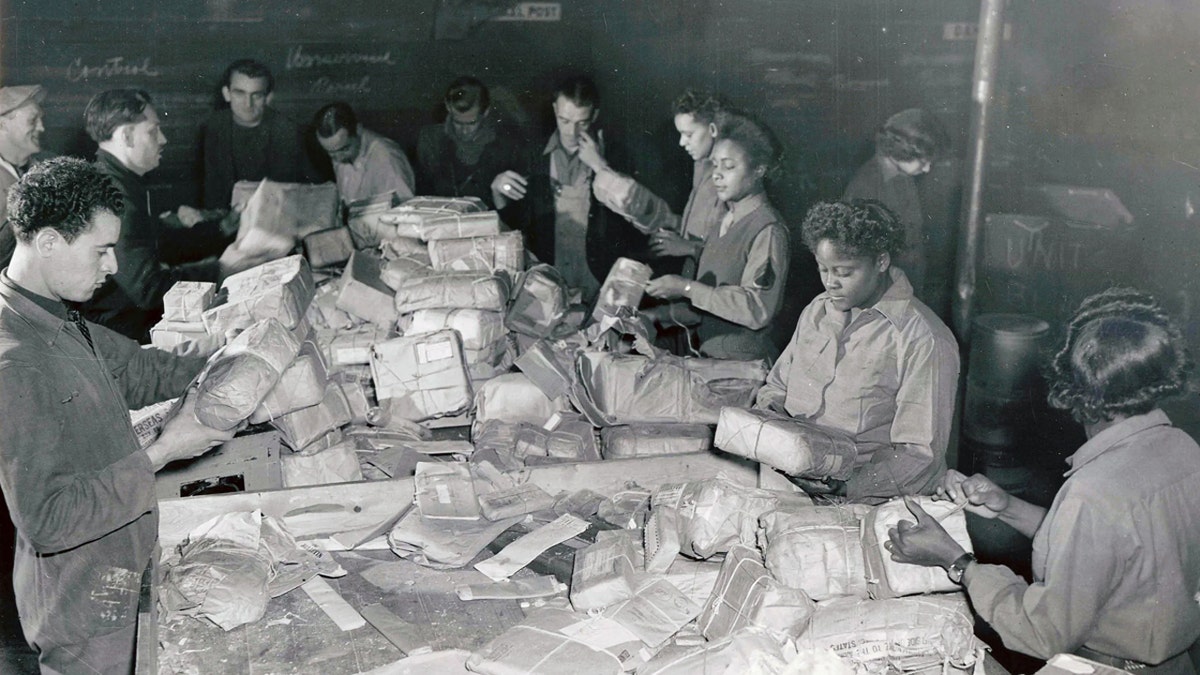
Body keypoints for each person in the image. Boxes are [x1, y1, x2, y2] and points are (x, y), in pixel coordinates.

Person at [0, 156, 239, 674]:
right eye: (101, 250)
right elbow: (47, 520)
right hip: (83, 610)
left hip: (118, 573)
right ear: (47, 242)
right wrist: (163, 452)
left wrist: (231, 357)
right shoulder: (14, 360)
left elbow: (135, 371)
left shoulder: (51, 314)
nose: (112, 266)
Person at [887, 288, 1200, 674]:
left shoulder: (1093, 491)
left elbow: (1043, 632)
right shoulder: (1183, 448)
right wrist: (1006, 507)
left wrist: (956, 560)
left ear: (1073, 393)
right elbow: (1108, 549)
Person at [755, 200, 960, 503]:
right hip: (792, 480)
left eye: (844, 272)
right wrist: (772, 424)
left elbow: (919, 454)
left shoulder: (922, 338)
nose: (830, 283)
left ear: (881, 261)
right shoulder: (817, 312)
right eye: (823, 269)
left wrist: (850, 487)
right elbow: (776, 387)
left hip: (868, 499)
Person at [84, 88, 254, 342]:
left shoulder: (121, 181)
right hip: (122, 335)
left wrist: (222, 230)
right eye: (153, 131)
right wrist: (220, 269)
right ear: (127, 136)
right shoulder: (114, 197)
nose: (162, 139)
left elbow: (162, 243)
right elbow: (149, 290)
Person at [642, 114, 789, 362]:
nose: (716, 175)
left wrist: (685, 287)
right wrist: (656, 315)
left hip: (744, 365)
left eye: (729, 166)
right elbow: (706, 307)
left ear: (759, 170)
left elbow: (756, 309)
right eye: (714, 165)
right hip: (710, 357)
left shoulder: (768, 229)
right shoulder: (723, 223)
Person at [491, 75, 650, 299]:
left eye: (581, 123)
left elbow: (639, 226)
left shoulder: (616, 156)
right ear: (555, 109)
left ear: (595, 114)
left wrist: (602, 167)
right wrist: (498, 193)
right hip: (547, 279)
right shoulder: (532, 155)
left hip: (600, 281)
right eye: (564, 120)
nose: (571, 133)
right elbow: (515, 227)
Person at [582, 89, 730, 273]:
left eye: (689, 134)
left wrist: (689, 248)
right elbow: (686, 225)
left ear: (713, 129)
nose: (681, 142)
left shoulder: (728, 178)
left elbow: (734, 252)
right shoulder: (702, 166)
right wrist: (672, 237)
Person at [842, 108, 947, 302]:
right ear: (901, 151)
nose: (927, 168)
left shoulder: (903, 177)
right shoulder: (866, 186)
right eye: (922, 161)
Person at [202, 58, 314, 209]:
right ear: (226, 94)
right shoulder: (213, 126)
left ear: (268, 98)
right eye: (239, 93)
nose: (248, 104)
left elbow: (301, 192)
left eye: (257, 95)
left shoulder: (288, 131)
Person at [416, 76, 524, 208]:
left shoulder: (507, 145)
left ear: (486, 112)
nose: (464, 131)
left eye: (472, 123)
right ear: (448, 107)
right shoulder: (430, 140)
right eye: (458, 122)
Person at [313, 101, 415, 204]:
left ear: (358, 130)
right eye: (331, 153)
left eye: (344, 149)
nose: (338, 159)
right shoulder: (339, 149)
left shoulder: (387, 156)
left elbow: (404, 208)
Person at [0, 84, 47, 267]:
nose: (41, 127)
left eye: (41, 120)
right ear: (2, 124)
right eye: (32, 120)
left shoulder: (45, 169)